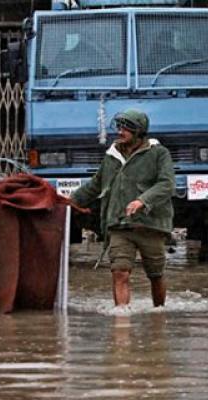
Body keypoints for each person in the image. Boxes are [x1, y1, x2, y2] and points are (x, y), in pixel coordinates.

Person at [71, 109, 175, 307]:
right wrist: (68, 202)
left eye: (126, 128)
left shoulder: (159, 153)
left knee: (155, 274)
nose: (120, 132)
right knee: (119, 272)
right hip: (119, 225)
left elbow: (166, 184)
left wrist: (142, 201)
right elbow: (95, 185)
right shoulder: (111, 156)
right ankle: (121, 322)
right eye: (119, 127)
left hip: (150, 225)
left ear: (139, 132)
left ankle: (159, 314)